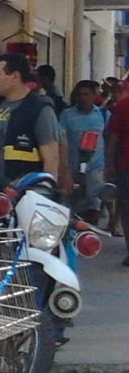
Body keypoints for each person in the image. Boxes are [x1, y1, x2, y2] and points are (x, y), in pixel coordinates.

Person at [0, 52, 60, 222]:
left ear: (15, 76)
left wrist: (42, 202)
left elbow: (51, 160)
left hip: (19, 201)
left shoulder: (39, 108)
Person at [58, 80, 109, 225]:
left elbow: (110, 140)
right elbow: (61, 141)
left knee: (94, 208)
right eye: (79, 95)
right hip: (73, 169)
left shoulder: (103, 115)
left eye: (86, 94)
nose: (83, 98)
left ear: (94, 96)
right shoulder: (67, 115)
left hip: (96, 170)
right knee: (73, 209)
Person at [106, 85, 129, 261]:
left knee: (127, 208)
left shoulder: (122, 106)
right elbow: (113, 138)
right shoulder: (123, 107)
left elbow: (113, 138)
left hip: (125, 167)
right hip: (125, 166)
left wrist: (109, 165)